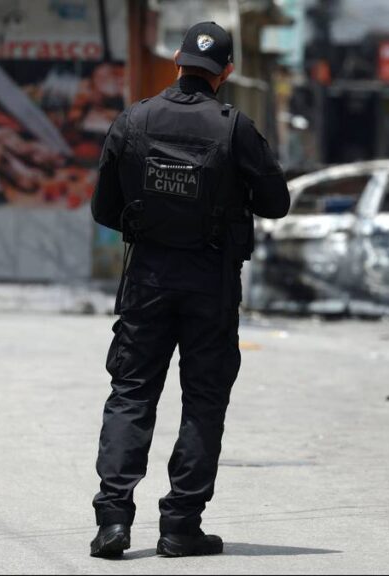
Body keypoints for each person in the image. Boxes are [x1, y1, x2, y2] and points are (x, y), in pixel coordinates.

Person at [87, 21, 290, 559]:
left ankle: (113, 522)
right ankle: (179, 526)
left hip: (147, 282)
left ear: (177, 63)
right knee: (202, 401)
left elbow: (104, 208)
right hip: (210, 284)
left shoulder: (134, 120)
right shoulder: (235, 128)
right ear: (226, 72)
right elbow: (277, 203)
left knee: (131, 393)